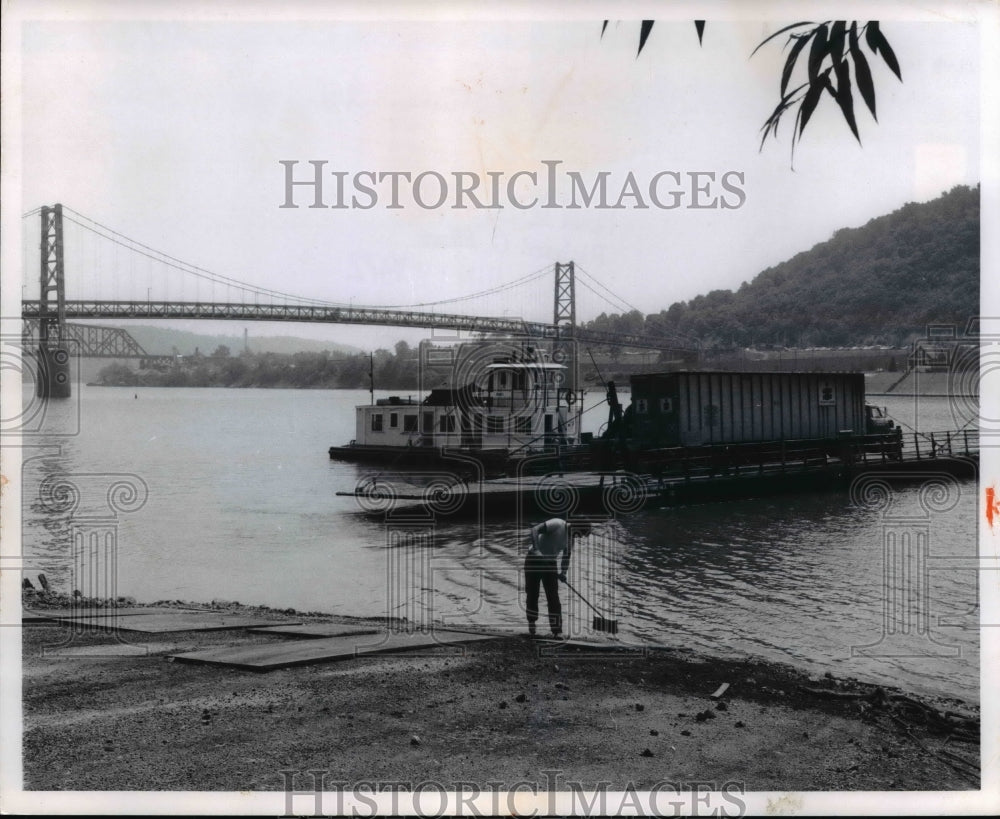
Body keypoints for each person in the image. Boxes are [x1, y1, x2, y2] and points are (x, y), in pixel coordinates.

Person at [524, 518, 590, 638]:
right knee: (532, 593)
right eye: (579, 534)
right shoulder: (557, 524)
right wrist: (536, 549)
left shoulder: (571, 539)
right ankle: (532, 622)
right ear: (575, 526)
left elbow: (566, 556)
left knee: (553, 597)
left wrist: (563, 572)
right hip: (534, 560)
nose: (579, 537)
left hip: (550, 563)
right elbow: (535, 529)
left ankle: (556, 631)